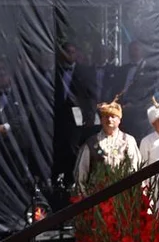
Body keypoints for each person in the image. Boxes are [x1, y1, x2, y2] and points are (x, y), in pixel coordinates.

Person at [52, 42, 97, 186]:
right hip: (58, 115)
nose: (69, 55)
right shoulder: (55, 71)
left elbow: (91, 95)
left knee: (73, 146)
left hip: (77, 116)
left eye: (72, 52)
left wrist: (89, 114)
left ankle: (73, 178)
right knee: (59, 146)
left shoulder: (84, 71)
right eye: (67, 52)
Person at [74, 99, 141, 190]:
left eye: (113, 116)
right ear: (101, 120)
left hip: (121, 197)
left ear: (119, 120)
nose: (109, 119)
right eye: (106, 116)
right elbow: (81, 174)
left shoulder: (128, 141)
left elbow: (135, 169)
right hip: (98, 196)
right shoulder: (91, 143)